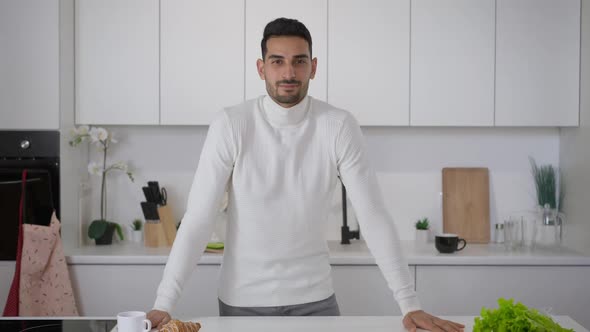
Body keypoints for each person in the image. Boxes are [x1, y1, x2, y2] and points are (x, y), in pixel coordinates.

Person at [147, 17, 465, 332]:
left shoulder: (338, 125)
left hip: (317, 303)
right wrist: (164, 302)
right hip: (242, 302)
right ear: (261, 69)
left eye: (299, 62)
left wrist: (409, 304)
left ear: (313, 67)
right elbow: (198, 218)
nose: (289, 72)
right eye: (277, 62)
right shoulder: (231, 124)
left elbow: (372, 215)